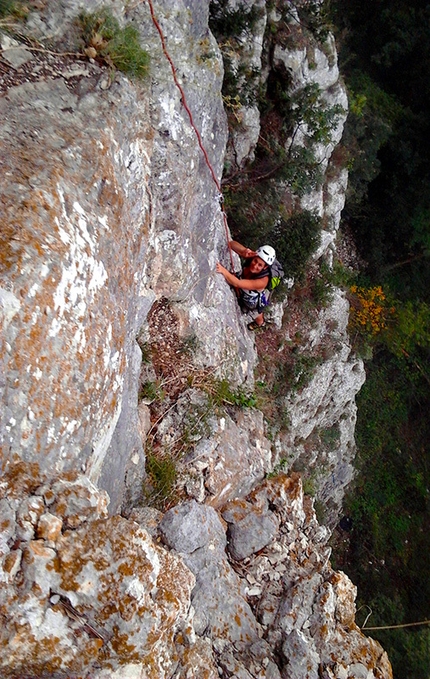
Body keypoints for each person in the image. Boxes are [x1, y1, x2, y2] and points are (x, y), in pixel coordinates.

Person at [216, 240, 276, 330]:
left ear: (265, 267)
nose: (255, 266)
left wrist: (223, 270)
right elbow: (231, 244)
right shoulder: (252, 256)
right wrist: (244, 252)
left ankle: (260, 323)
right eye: (255, 261)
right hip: (245, 286)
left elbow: (237, 283)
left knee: (256, 312)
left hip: (252, 300)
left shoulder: (263, 281)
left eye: (260, 265)